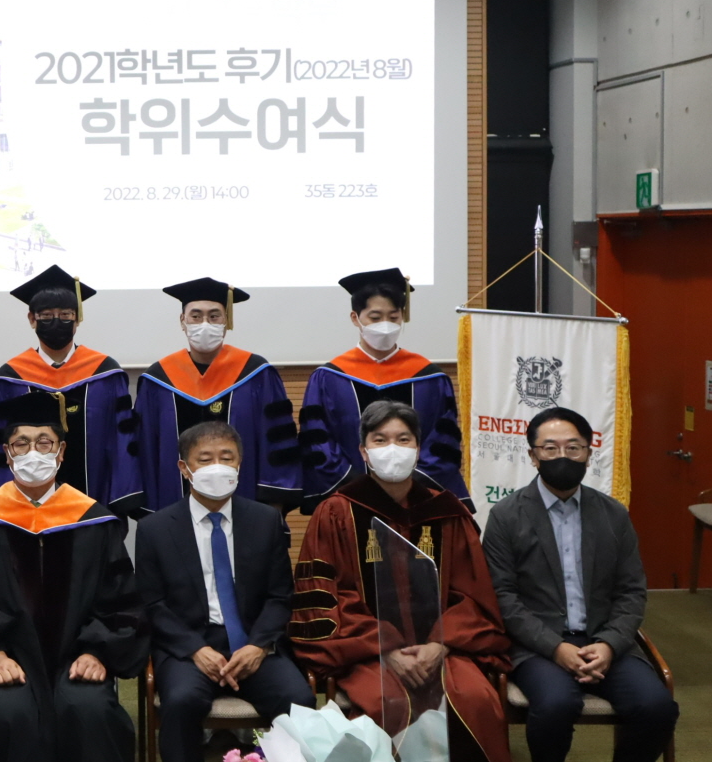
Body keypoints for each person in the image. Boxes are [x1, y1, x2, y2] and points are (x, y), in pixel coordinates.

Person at [290, 400, 510, 762]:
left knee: (476, 701)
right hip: (368, 653)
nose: (392, 449)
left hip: (444, 651)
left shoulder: (447, 512)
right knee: (385, 703)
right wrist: (387, 647)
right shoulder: (337, 512)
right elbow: (328, 597)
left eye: (403, 439)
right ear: (363, 451)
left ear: (418, 449)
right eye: (380, 440)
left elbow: (474, 595)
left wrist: (440, 644)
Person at [0, 390, 147, 762]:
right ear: (7, 454)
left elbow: (120, 600)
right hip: (7, 659)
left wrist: (96, 651)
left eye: (44, 442)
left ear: (61, 451)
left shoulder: (94, 520)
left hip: (77, 655)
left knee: (88, 709)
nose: (33, 453)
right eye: (21, 443)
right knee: (10, 714)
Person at [482, 407, 678, 762]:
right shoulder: (506, 516)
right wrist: (556, 648)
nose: (563, 456)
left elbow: (631, 591)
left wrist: (609, 645)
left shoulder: (613, 514)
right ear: (533, 456)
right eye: (550, 448)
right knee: (555, 706)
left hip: (606, 642)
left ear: (589, 453)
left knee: (657, 708)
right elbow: (502, 596)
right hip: (538, 647)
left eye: (573, 448)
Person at [136, 421, 315, 762]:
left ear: (239, 465)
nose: (217, 467)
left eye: (226, 458)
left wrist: (258, 646)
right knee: (182, 701)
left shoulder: (266, 521)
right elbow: (152, 604)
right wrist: (195, 649)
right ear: (184, 468)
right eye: (205, 459)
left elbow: (280, 596)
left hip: (253, 643)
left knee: (299, 700)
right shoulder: (154, 529)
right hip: (189, 647)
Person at [0, 264, 141, 516]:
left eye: (65, 314)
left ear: (77, 318)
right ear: (32, 319)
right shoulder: (10, 378)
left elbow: (122, 439)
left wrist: (123, 495)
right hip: (24, 506)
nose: (57, 322)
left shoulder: (106, 373)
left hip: (95, 498)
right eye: (46, 316)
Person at [298, 268, 467, 512]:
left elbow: (443, 441)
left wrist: (411, 486)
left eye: (393, 317)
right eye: (375, 317)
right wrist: (355, 486)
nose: (385, 325)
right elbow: (318, 441)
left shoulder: (429, 377)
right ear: (355, 318)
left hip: (418, 501)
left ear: (402, 316)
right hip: (349, 500)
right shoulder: (329, 378)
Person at [136, 278, 301, 511]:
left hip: (248, 508)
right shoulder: (157, 380)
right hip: (173, 511)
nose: (205, 323)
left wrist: (272, 502)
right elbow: (146, 448)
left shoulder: (257, 374)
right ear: (183, 321)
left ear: (226, 321)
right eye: (196, 316)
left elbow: (276, 441)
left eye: (214, 316)